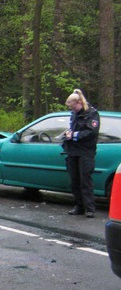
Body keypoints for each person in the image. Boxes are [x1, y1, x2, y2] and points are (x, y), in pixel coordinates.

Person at [62, 88, 100, 218]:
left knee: (85, 181)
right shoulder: (74, 114)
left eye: (74, 107)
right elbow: (72, 127)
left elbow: (92, 132)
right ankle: (79, 206)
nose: (73, 110)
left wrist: (74, 135)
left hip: (85, 152)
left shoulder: (92, 114)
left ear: (79, 102)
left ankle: (90, 208)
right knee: (74, 181)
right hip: (73, 151)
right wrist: (68, 134)